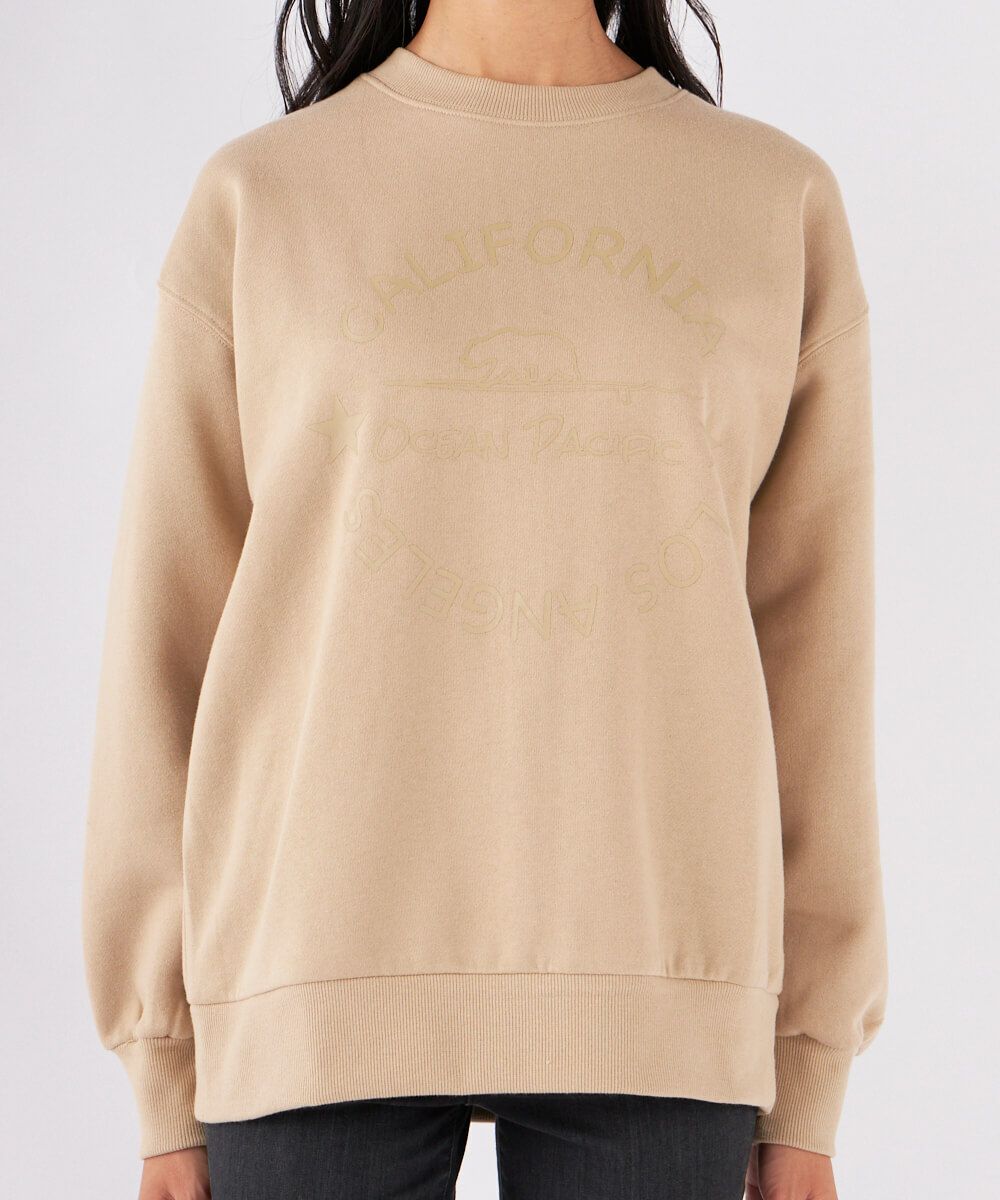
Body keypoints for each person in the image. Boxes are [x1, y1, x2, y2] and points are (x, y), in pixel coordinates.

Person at [81, 1, 889, 1197]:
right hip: (311, 966)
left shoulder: (772, 201)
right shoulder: (265, 196)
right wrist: (161, 1061)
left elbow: (815, 656)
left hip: (662, 977)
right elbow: (168, 636)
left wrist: (810, 1066)